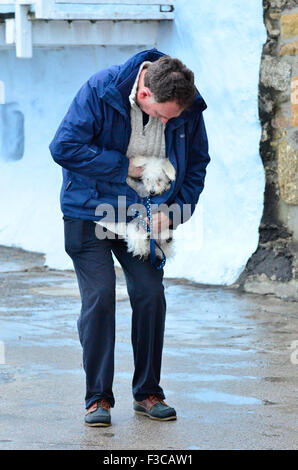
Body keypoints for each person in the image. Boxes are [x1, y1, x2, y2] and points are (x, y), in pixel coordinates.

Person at [49, 48, 210, 427]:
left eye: (173, 119)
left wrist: (175, 211)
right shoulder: (99, 89)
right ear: (143, 94)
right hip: (88, 211)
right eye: (161, 116)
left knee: (150, 295)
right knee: (101, 297)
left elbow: (197, 165)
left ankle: (148, 392)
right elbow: (63, 148)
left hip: (144, 218)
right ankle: (98, 399)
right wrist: (124, 166)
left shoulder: (186, 105)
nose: (166, 124)